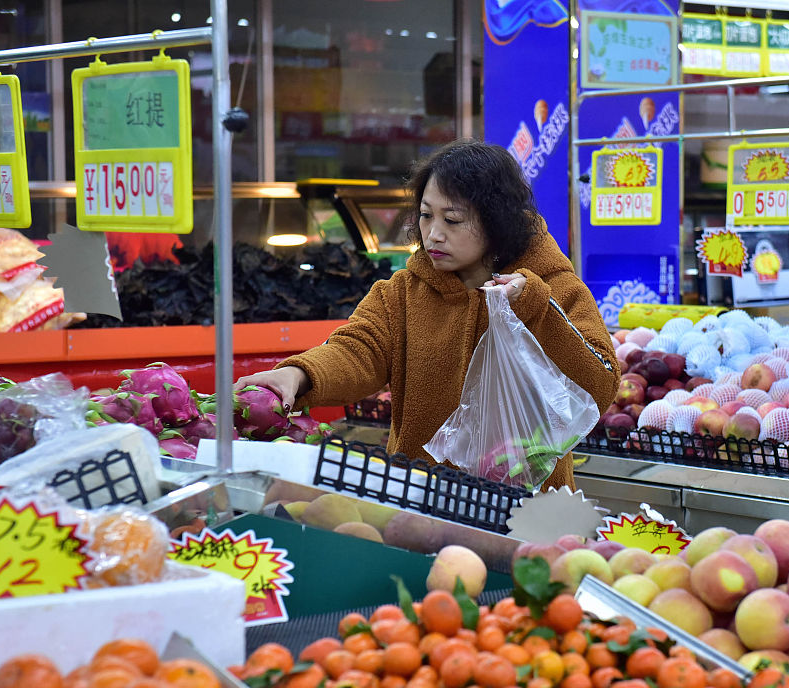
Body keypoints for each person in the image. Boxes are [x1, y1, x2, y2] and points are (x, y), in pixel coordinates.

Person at [235, 139, 619, 489]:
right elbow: (357, 349)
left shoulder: (555, 289)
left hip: (529, 509)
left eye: (452, 220)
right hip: (420, 499)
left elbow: (599, 386)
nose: (433, 234)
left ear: (498, 222)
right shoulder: (401, 294)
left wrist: (535, 308)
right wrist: (297, 374)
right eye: (425, 215)